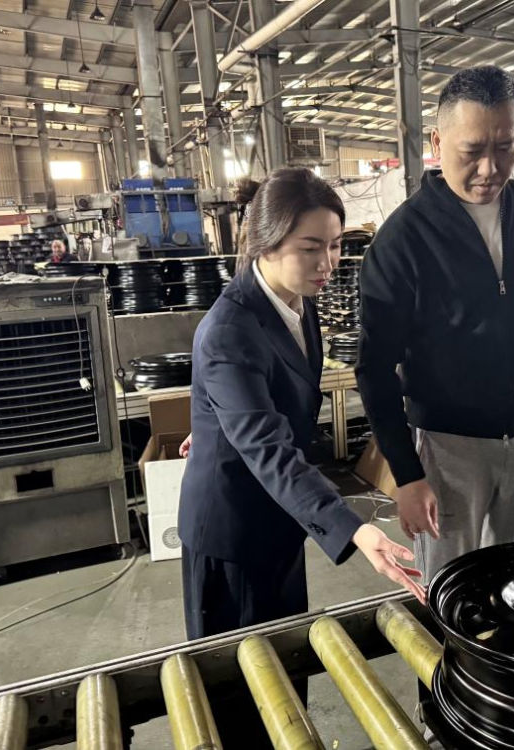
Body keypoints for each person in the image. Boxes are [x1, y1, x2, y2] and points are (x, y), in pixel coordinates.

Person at [177, 167, 423, 644]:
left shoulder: (297, 300)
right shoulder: (230, 330)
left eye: (335, 245)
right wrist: (353, 529)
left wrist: (216, 423)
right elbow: (268, 449)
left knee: (288, 656)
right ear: (266, 244)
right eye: (310, 248)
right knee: (243, 675)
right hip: (233, 534)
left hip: (282, 516)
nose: (327, 263)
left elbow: (258, 395)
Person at [356, 65, 514, 583]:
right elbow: (375, 369)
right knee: (452, 587)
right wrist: (407, 475)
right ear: (437, 143)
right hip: (450, 446)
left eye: (506, 148)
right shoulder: (403, 240)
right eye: (472, 150)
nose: (489, 168)